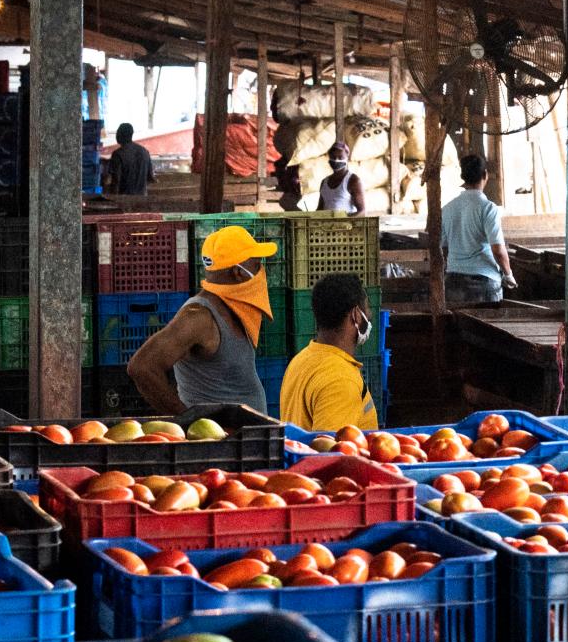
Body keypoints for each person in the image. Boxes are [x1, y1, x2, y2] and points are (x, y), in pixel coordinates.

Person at [126, 225, 277, 415]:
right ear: (238, 273)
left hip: (243, 438)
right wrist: (188, 420)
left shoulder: (235, 308)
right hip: (216, 441)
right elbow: (142, 367)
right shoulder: (198, 317)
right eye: (256, 264)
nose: (260, 271)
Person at [279, 272, 379, 433]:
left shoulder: (300, 360)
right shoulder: (340, 380)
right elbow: (330, 453)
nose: (369, 315)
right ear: (355, 315)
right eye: (366, 308)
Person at [440, 153, 516, 305]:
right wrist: (508, 275)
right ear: (485, 175)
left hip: (453, 280)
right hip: (483, 282)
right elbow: (498, 251)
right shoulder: (488, 209)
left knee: (457, 327)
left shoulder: (447, 209)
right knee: (486, 328)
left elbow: (443, 247)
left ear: (463, 177)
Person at [103, 123, 153, 198]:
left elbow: (116, 181)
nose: (116, 136)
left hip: (124, 200)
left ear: (121, 135)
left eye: (118, 133)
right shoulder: (144, 152)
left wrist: (111, 199)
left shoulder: (118, 154)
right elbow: (150, 178)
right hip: (142, 199)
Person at [317, 141, 365, 215]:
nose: (336, 160)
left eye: (340, 157)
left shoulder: (353, 181)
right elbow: (319, 209)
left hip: (346, 225)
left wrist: (345, 222)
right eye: (333, 157)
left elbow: (362, 212)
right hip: (326, 225)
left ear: (347, 158)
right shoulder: (324, 182)